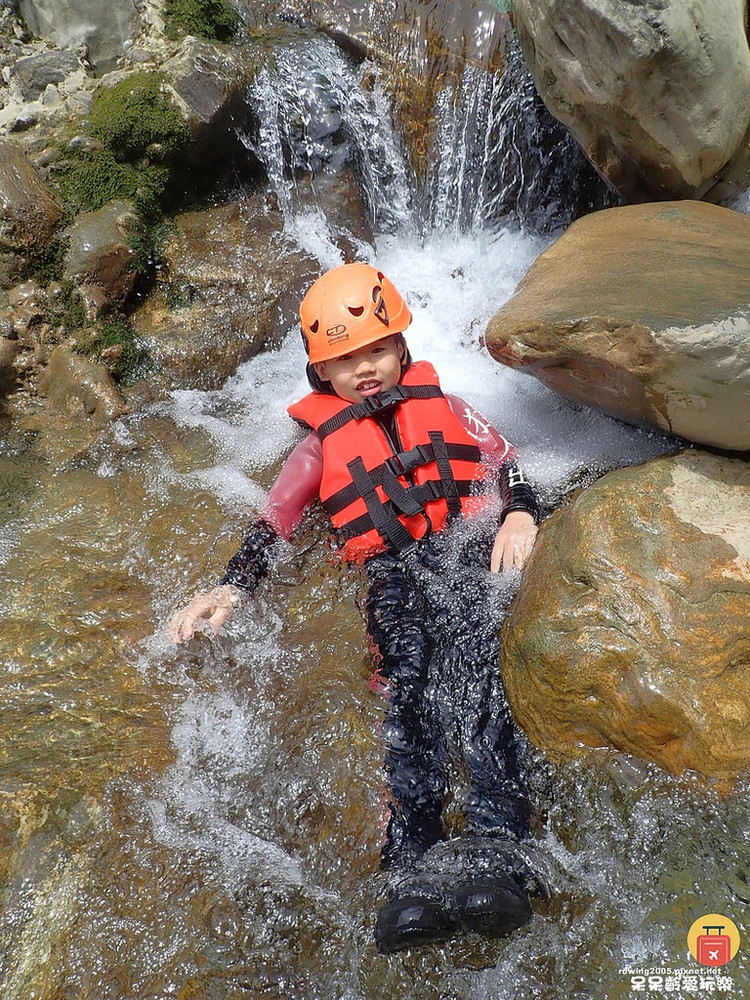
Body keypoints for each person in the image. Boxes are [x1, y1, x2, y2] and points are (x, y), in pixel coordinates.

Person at [170, 262, 542, 953]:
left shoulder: (450, 406)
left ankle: (500, 852)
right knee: (406, 700)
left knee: (488, 681)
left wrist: (519, 514)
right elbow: (273, 525)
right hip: (395, 576)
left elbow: (508, 462)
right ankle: (410, 872)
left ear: (402, 348)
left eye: (375, 349)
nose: (364, 368)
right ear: (321, 375)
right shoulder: (318, 449)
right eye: (343, 359)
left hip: (467, 555)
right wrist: (232, 585)